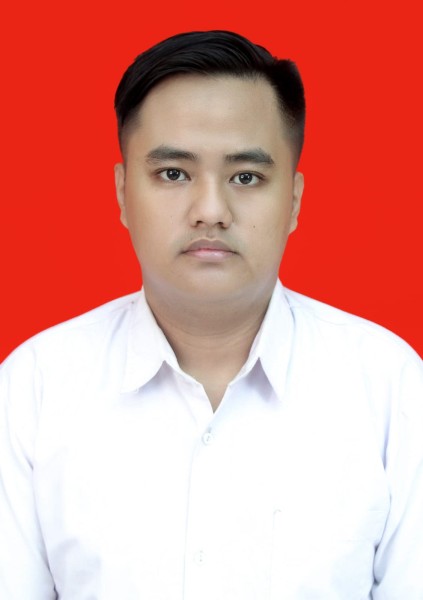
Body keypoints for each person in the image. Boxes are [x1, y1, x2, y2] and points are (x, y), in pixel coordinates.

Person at [0, 30, 422, 600]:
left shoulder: (391, 388)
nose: (211, 211)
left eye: (246, 177)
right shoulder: (34, 389)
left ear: (294, 200)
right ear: (122, 193)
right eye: (174, 173)